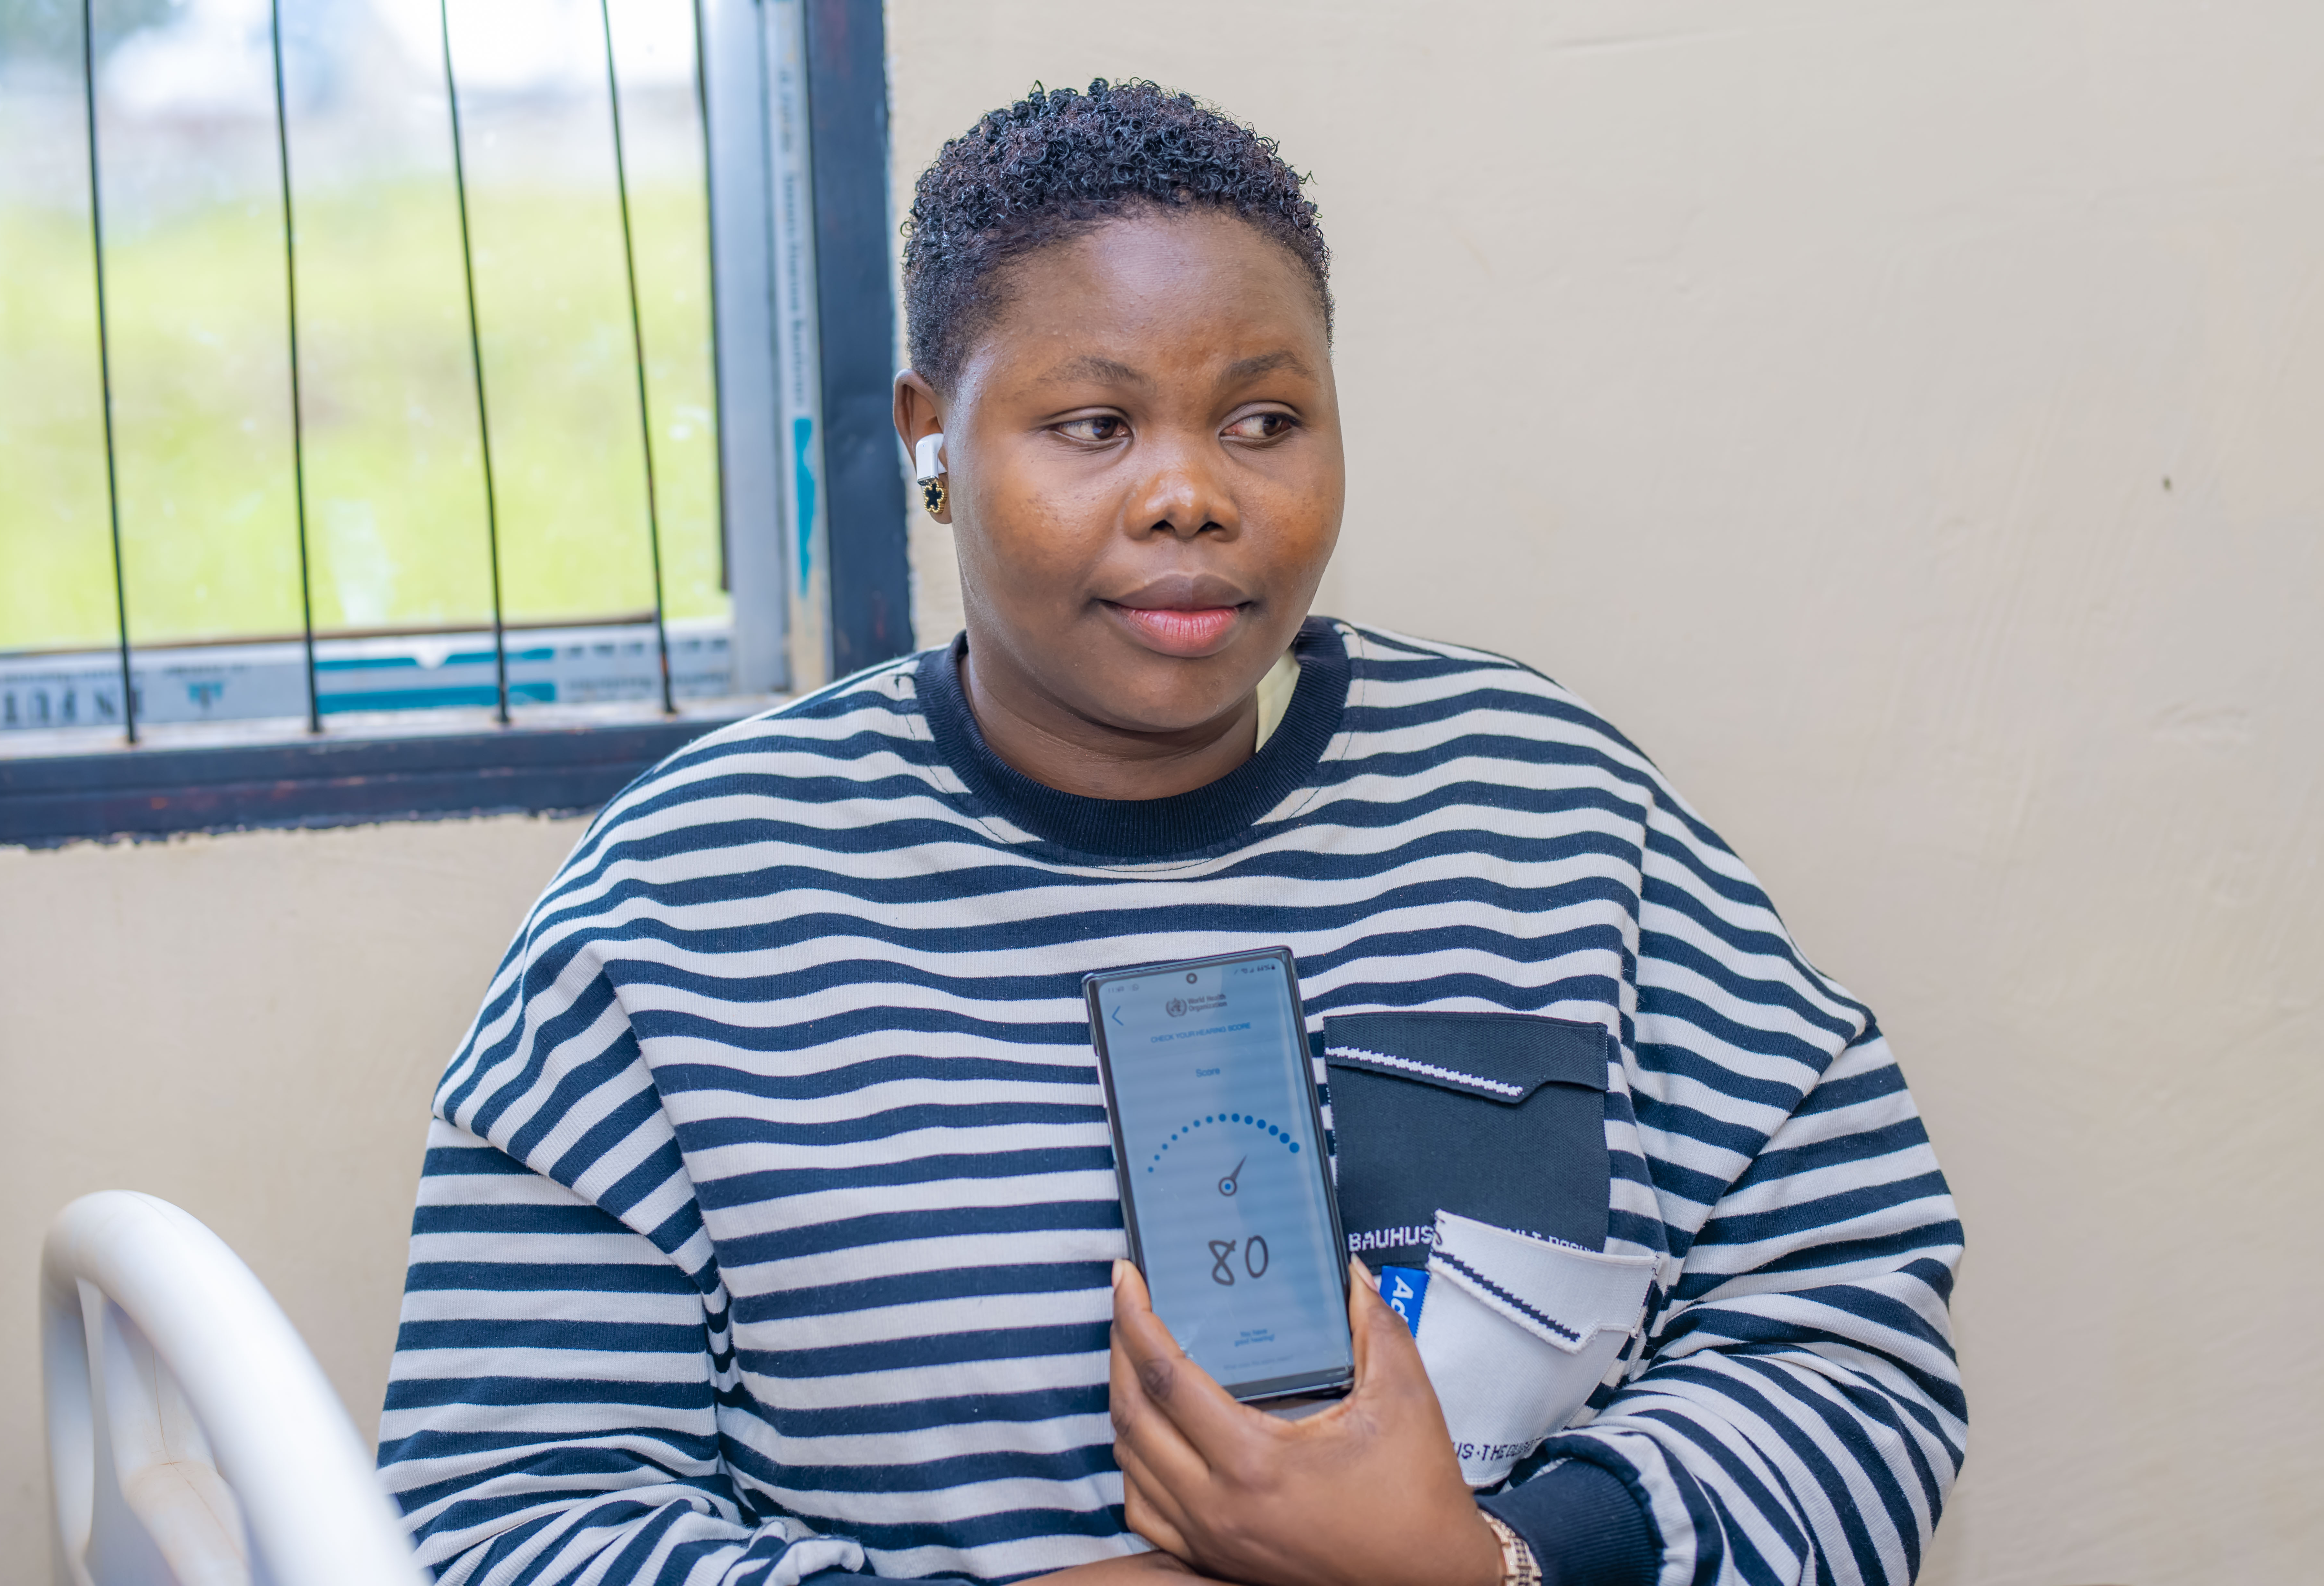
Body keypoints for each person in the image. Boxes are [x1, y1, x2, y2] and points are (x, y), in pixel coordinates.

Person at [379, 80, 1964, 1586]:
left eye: (1264, 421)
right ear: (933, 437)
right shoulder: (681, 908)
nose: (1190, 494)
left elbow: (1850, 1318)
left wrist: (1494, 1561)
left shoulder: (1554, 812)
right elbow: (502, 1510)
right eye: (1092, 425)